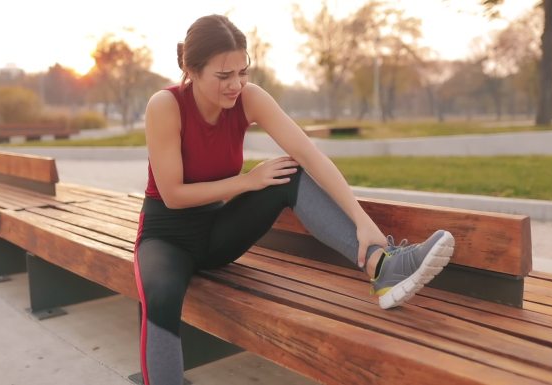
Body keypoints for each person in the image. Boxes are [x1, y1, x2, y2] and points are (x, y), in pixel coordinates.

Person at [133, 14, 455, 385]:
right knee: (160, 297)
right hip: (165, 238)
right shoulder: (165, 105)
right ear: (191, 69)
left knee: (288, 173)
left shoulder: (249, 99)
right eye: (224, 76)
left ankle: (382, 267)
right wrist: (247, 182)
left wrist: (363, 219)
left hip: (218, 233)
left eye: (243, 71)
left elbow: (310, 155)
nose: (236, 84)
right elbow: (173, 196)